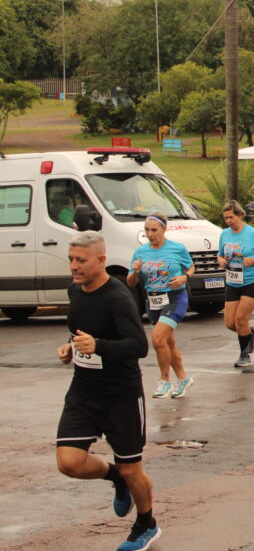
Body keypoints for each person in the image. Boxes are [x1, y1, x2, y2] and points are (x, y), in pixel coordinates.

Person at [55, 232, 158, 551]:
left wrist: (98, 346)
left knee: (132, 468)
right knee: (68, 462)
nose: (74, 266)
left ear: (101, 260)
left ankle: (146, 524)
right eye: (71, 259)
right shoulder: (75, 291)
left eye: (81, 260)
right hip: (83, 392)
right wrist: (70, 347)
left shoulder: (118, 297)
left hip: (121, 396)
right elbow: (80, 333)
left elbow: (139, 346)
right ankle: (114, 478)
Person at [128, 213, 194, 398]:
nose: (150, 234)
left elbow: (190, 267)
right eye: (147, 230)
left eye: (154, 230)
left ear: (164, 229)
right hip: (154, 301)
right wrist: (135, 271)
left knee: (157, 339)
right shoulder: (140, 252)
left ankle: (165, 381)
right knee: (168, 343)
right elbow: (131, 282)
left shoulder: (177, 248)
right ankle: (183, 379)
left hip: (175, 298)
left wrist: (184, 277)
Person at [217, 201, 254, 368]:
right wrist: (221, 261)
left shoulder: (253, 234)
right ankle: (251, 332)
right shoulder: (224, 234)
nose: (228, 221)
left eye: (231, 217)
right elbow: (220, 255)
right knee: (229, 323)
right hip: (234, 281)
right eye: (226, 218)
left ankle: (244, 354)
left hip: (253, 281)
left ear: (240, 215)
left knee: (241, 318)